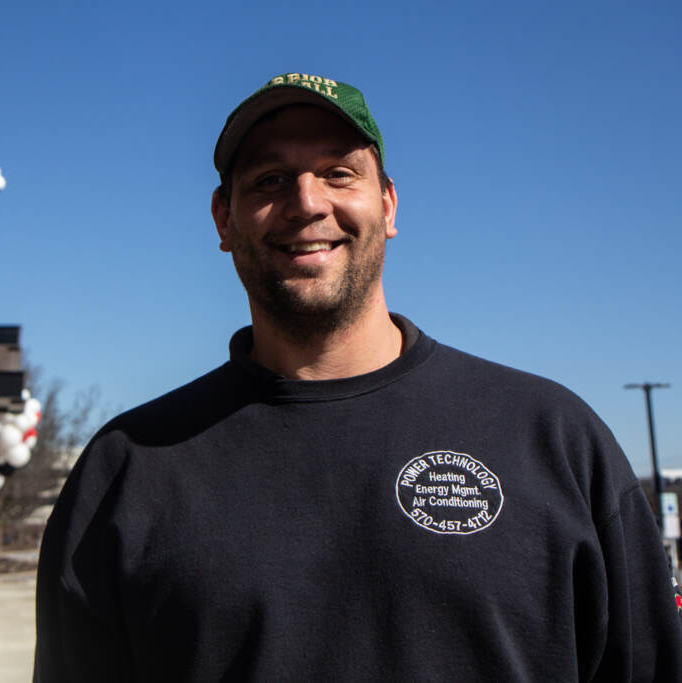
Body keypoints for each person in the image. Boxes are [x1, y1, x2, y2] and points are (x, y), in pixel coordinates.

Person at [34, 72, 682, 681]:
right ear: (223, 220)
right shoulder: (127, 472)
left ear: (389, 204)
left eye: (339, 173)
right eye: (269, 180)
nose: (307, 202)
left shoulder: (555, 441)